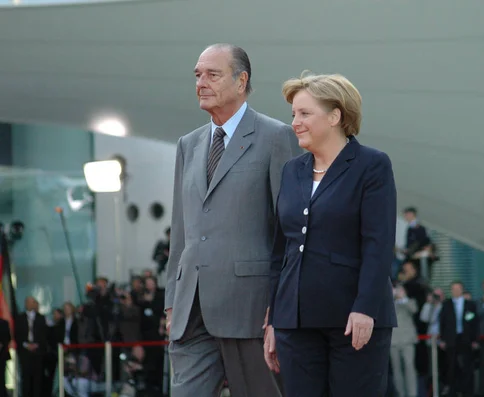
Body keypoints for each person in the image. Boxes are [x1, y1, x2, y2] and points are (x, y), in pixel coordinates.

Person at [164, 43, 300, 397]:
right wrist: (170, 301)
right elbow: (180, 233)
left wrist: (280, 308)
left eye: (212, 74)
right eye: (197, 75)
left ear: (241, 81)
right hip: (190, 311)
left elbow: (288, 231)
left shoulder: (276, 137)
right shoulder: (188, 145)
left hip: (250, 311)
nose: (201, 83)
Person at [264, 71, 397, 396]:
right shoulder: (291, 171)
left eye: (305, 113)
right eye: (293, 113)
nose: (295, 121)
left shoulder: (372, 165)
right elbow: (280, 252)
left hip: (354, 319)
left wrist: (365, 308)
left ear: (336, 115)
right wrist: (272, 320)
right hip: (294, 322)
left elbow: (378, 245)